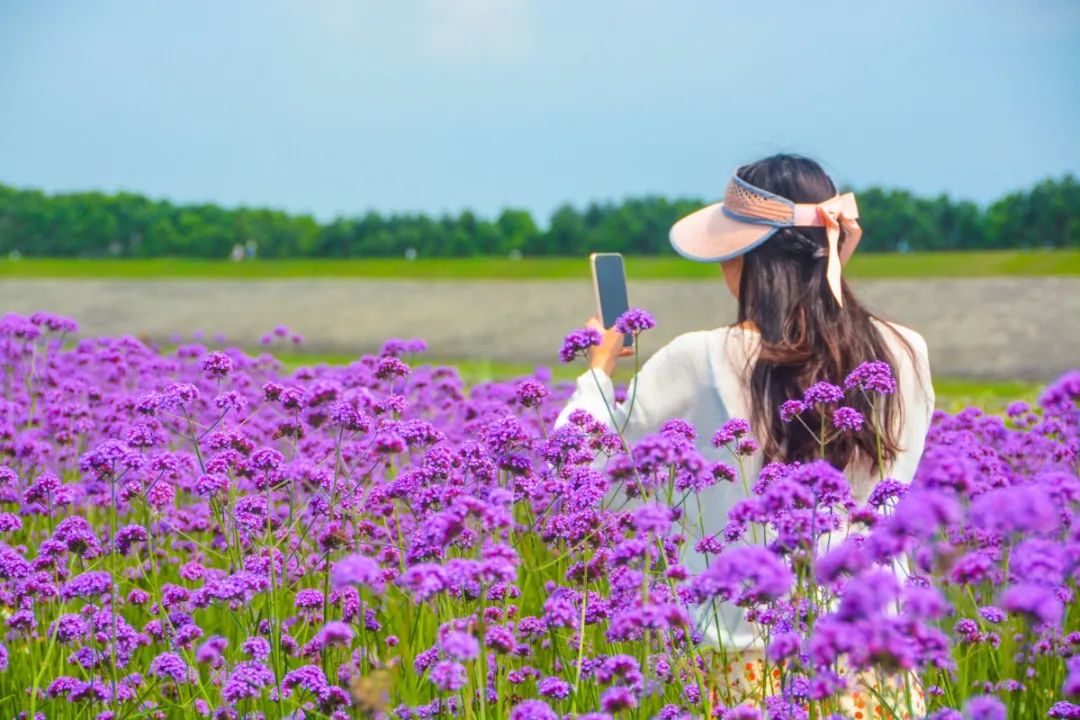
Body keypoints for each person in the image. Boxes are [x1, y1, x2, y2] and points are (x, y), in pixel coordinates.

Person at [553, 154, 934, 713]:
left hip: (748, 668)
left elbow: (581, 476)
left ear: (750, 258)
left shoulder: (702, 357)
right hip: (877, 667)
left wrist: (598, 371)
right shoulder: (907, 351)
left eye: (731, 251)